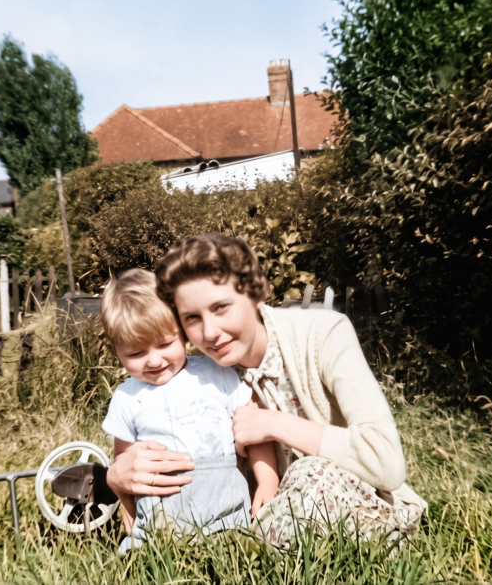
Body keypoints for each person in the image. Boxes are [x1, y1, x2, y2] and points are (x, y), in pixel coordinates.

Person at [107, 233, 427, 549]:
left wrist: (274, 423)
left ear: (256, 293)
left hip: (357, 502)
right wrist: (116, 479)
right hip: (261, 518)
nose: (209, 332)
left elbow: (388, 465)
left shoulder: (325, 333)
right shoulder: (203, 375)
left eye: (221, 307)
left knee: (310, 473)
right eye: (192, 318)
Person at [100, 268, 279, 552]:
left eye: (165, 343)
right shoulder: (126, 397)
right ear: (116, 351)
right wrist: (129, 520)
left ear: (182, 332)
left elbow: (253, 429)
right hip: (162, 517)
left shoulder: (215, 372)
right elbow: (126, 468)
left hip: (227, 511)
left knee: (243, 553)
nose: (154, 360)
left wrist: (267, 482)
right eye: (136, 353)